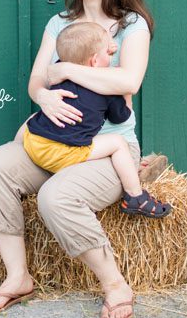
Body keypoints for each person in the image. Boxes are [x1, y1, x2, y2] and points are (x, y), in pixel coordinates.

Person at [0, 0, 160, 318]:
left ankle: (115, 286)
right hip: (56, 140)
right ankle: (18, 276)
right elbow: (36, 82)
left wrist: (65, 70)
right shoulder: (60, 23)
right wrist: (43, 97)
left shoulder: (131, 26)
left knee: (56, 197)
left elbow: (128, 82)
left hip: (108, 147)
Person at [16, 21, 171, 219]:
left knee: (33, 119)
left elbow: (77, 53)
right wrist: (123, 95)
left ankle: (17, 156)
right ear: (95, 61)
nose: (111, 56)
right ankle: (135, 195)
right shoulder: (106, 89)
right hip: (63, 154)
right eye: (108, 53)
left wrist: (101, 51)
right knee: (117, 143)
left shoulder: (59, 71)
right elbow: (120, 116)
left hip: (35, 144)